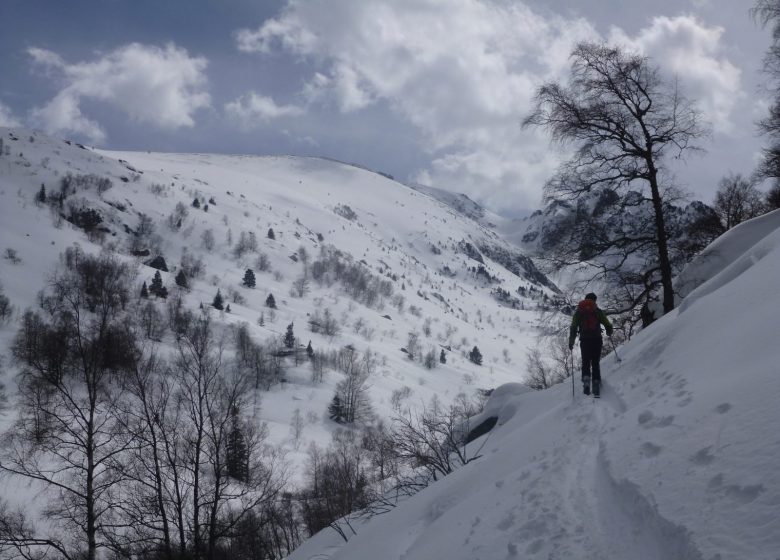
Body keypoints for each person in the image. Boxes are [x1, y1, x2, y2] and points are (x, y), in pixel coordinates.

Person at [569, 293, 613, 397]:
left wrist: (571, 342)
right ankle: (596, 383)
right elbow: (607, 323)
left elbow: (574, 327)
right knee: (595, 362)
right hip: (597, 339)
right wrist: (609, 331)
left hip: (584, 340)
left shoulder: (579, 312)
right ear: (594, 300)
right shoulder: (597, 311)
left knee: (585, 362)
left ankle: (586, 381)